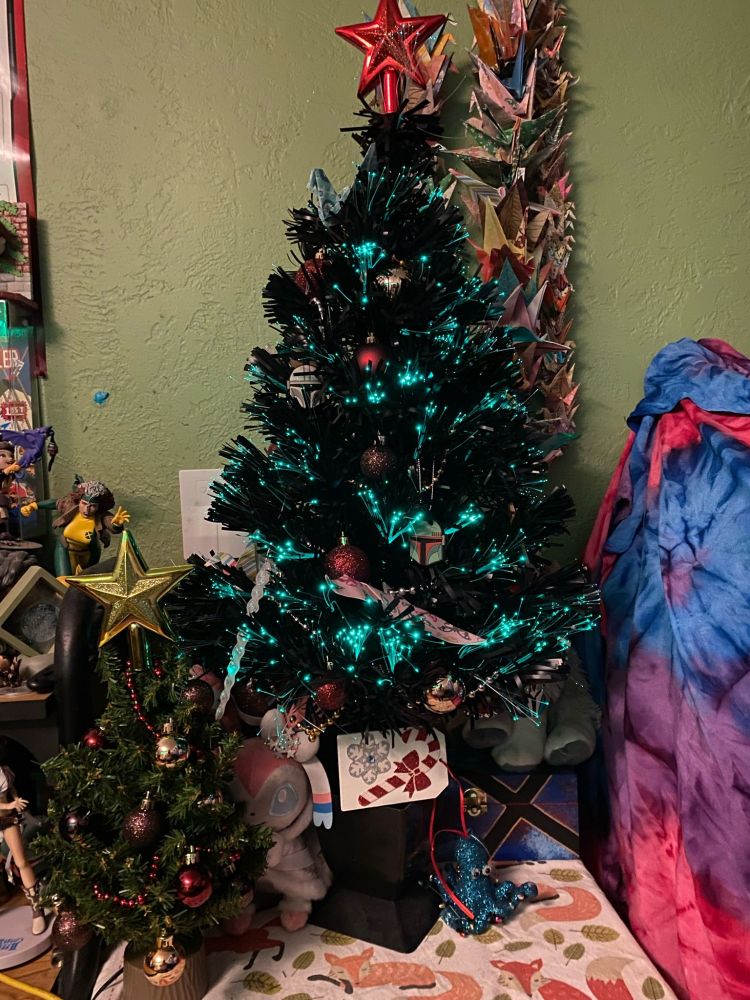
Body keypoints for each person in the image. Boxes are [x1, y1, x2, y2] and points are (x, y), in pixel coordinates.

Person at [21, 480, 129, 575]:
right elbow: (55, 502)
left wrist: (117, 524)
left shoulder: (101, 515)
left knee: (85, 582)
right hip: (65, 548)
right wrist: (34, 506)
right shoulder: (70, 506)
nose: (86, 510)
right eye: (84, 503)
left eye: (92, 506)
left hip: (89, 553)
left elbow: (111, 524)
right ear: (79, 500)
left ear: (99, 506)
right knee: (63, 581)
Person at [0, 737, 45, 934]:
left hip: (7, 819)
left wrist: (15, 799)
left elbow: (10, 789)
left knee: (21, 861)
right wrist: (9, 805)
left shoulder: (4, 769)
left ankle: (37, 908)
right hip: (6, 811)